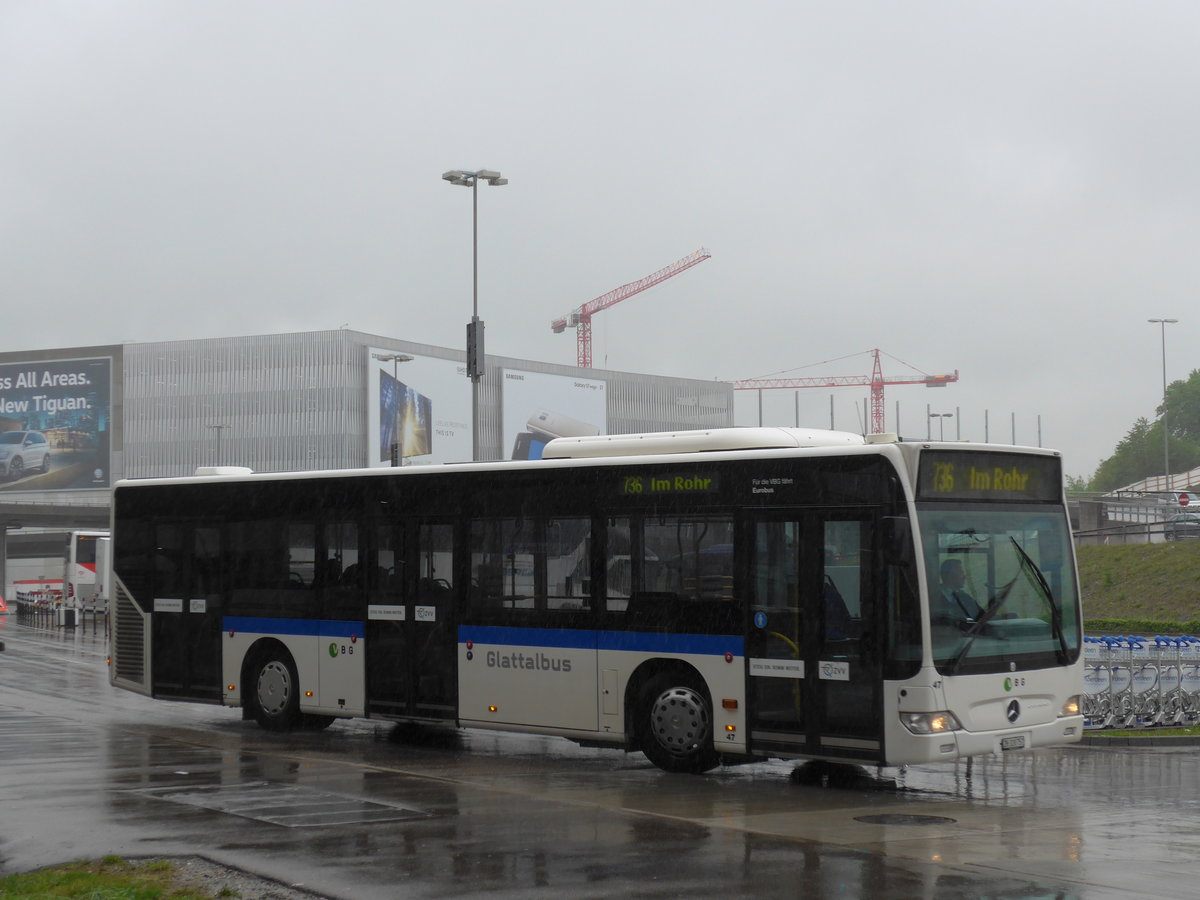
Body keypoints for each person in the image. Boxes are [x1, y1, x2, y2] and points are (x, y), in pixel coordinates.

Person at [937, 558, 984, 624]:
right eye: (961, 572)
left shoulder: (964, 597)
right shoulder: (932, 597)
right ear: (949, 575)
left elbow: (982, 617)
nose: (964, 576)